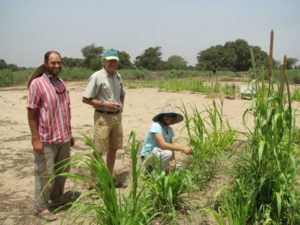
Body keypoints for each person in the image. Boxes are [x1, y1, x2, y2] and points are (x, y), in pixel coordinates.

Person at [27, 51, 74, 221]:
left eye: (59, 63)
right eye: (53, 63)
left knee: (63, 171)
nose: (57, 66)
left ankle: (56, 198)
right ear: (45, 63)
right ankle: (41, 207)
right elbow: (31, 112)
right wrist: (35, 139)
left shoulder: (61, 83)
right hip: (46, 139)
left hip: (63, 137)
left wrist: (70, 132)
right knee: (45, 174)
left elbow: (66, 109)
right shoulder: (37, 84)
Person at [82, 49, 126, 186]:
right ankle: (92, 181)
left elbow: (123, 93)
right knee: (99, 150)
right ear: (104, 61)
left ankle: (108, 177)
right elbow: (86, 99)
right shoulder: (97, 76)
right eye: (110, 60)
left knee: (113, 148)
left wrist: (121, 106)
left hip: (117, 118)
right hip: (103, 117)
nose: (112, 63)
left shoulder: (118, 76)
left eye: (115, 61)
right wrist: (104, 104)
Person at [141, 106, 192, 172]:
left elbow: (170, 145)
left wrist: (173, 160)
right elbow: (163, 145)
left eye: (172, 116)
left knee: (177, 165)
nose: (169, 118)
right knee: (168, 154)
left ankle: (158, 170)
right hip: (148, 155)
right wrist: (182, 148)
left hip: (159, 154)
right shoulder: (156, 125)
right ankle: (155, 172)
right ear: (162, 117)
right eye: (167, 115)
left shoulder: (169, 129)